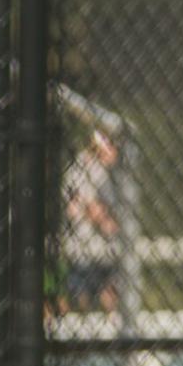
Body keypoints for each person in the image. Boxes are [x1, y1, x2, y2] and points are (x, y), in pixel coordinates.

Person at [61, 127, 121, 315]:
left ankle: (110, 327)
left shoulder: (102, 170)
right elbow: (87, 205)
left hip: (100, 246)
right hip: (85, 245)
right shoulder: (89, 167)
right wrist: (107, 222)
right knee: (81, 293)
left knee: (107, 290)